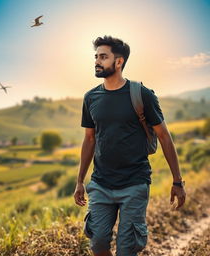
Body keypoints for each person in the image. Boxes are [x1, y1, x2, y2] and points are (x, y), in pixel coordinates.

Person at [73, 35, 186, 256]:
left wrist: (177, 181)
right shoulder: (91, 98)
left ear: (119, 62)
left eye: (103, 57)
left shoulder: (141, 94)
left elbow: (164, 136)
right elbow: (89, 140)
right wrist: (79, 181)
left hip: (134, 183)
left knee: (127, 248)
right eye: (96, 56)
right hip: (101, 183)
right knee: (98, 243)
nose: (97, 61)